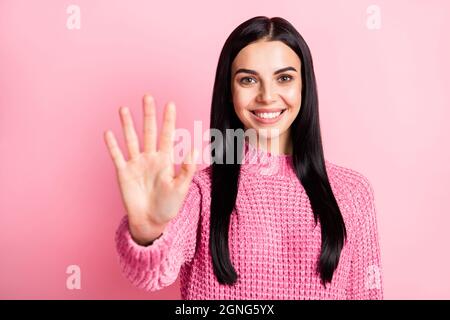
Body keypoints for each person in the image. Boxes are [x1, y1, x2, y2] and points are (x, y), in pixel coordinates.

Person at [103, 16, 383, 300]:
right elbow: (152, 274)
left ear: (304, 86)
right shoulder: (199, 193)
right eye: (248, 80)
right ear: (229, 91)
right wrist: (147, 234)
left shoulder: (353, 192)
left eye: (284, 78)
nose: (267, 96)